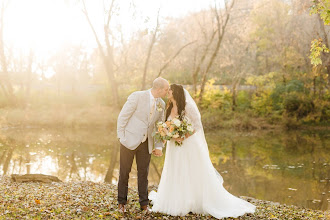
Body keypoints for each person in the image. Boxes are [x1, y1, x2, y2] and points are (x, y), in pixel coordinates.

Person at [149, 84, 256, 219]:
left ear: (176, 92)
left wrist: (183, 136)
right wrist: (163, 141)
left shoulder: (187, 106)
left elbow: (197, 125)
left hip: (188, 144)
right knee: (176, 170)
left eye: (170, 90)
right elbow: (166, 127)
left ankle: (195, 200)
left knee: (191, 170)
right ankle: (178, 199)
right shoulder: (169, 107)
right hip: (173, 146)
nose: (168, 92)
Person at [117, 77, 169, 213]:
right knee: (124, 172)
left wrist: (158, 146)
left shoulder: (162, 104)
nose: (167, 92)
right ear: (158, 89)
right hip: (129, 140)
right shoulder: (137, 96)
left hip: (146, 143)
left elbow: (159, 127)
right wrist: (121, 137)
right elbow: (123, 117)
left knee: (143, 174)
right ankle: (121, 202)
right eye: (166, 89)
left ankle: (144, 204)